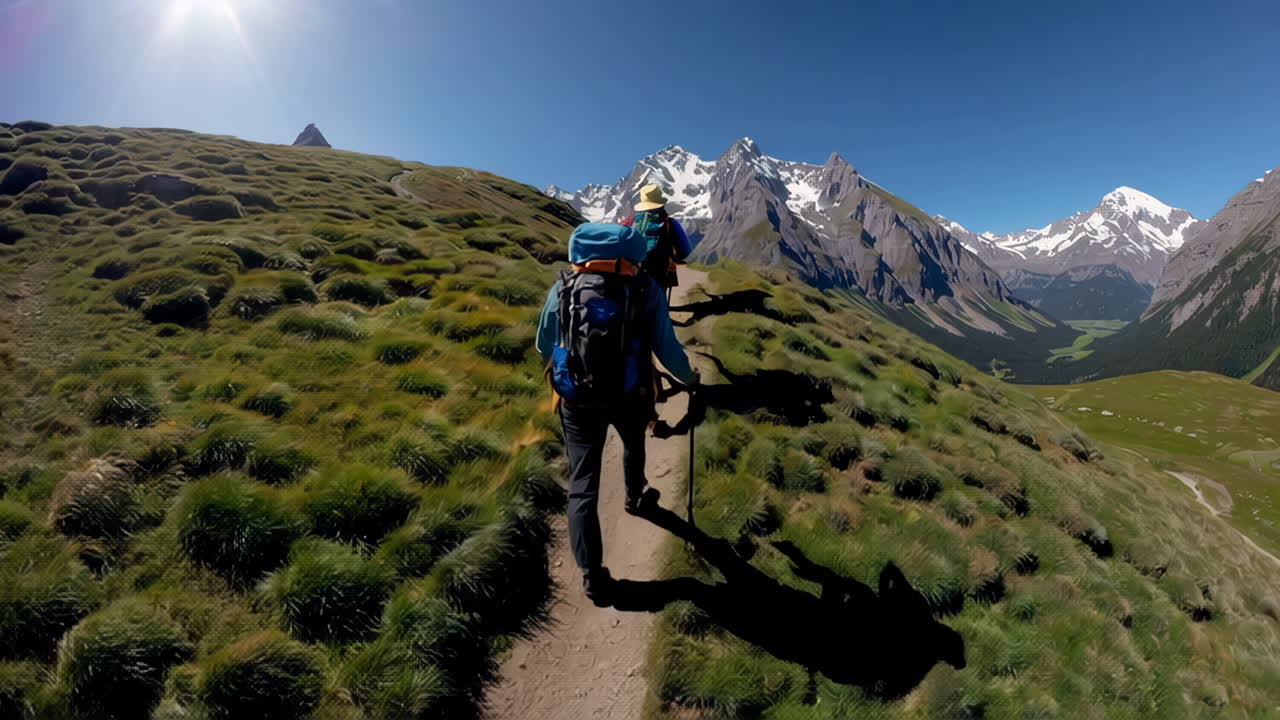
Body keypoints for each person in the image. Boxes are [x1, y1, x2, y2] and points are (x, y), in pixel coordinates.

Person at [536, 222, 697, 606]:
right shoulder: (645, 288)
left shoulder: (564, 287)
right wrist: (690, 378)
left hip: (577, 399)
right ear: (629, 257)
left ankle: (593, 577)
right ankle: (634, 496)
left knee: (582, 484)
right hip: (630, 392)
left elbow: (543, 344)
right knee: (633, 441)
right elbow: (667, 348)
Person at [620, 184, 693, 292]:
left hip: (632, 274)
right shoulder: (670, 223)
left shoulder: (629, 222)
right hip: (659, 277)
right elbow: (685, 252)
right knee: (657, 304)